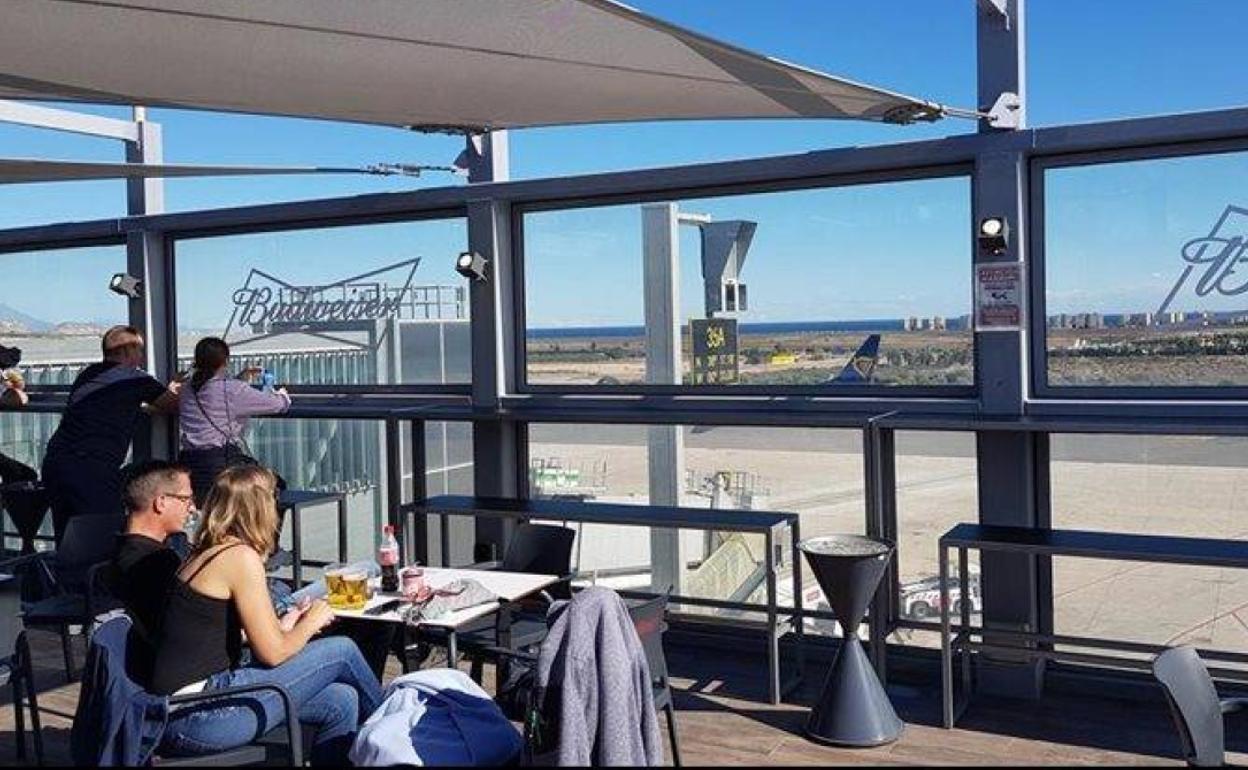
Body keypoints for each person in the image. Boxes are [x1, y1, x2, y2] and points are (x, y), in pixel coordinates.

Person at [151, 465, 382, 766]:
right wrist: (311, 623)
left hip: (181, 710)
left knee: (342, 701)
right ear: (260, 508)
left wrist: (285, 625)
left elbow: (223, 635)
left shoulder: (206, 551)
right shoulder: (239, 558)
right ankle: (401, 729)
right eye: (273, 499)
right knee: (342, 650)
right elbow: (272, 654)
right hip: (200, 715)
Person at [41, 326, 180, 542]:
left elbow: (110, 405)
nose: (141, 358)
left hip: (57, 462)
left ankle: (68, 575)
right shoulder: (135, 380)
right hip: (92, 468)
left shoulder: (87, 376)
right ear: (127, 351)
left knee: (69, 540)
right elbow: (174, 405)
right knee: (102, 537)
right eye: (139, 351)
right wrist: (177, 389)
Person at [107, 460, 197, 685]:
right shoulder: (157, 563)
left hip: (137, 676)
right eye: (186, 499)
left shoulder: (118, 553)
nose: (192, 508)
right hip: (177, 680)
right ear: (161, 502)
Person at [178, 337, 290, 507]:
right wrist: (282, 393)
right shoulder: (233, 389)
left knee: (213, 509)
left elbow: (215, 395)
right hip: (222, 464)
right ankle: (260, 533)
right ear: (225, 361)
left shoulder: (186, 388)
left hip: (190, 465)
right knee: (277, 486)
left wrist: (240, 380)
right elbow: (278, 405)